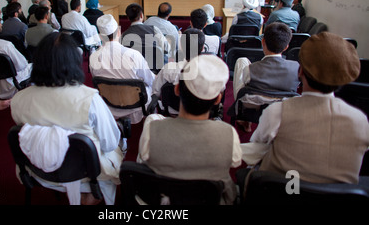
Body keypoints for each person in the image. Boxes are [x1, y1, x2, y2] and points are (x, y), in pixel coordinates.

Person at [240, 32, 369, 189]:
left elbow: (257, 145)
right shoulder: (361, 120)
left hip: (285, 192)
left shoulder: (278, 111)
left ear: (300, 71)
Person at [10, 31, 123, 205]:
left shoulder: (19, 99)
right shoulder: (89, 98)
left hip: (38, 170)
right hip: (86, 174)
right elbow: (109, 143)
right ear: (74, 62)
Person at [138, 54, 242, 205]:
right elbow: (235, 162)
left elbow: (144, 156)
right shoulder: (228, 134)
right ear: (217, 100)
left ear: (177, 90)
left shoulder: (152, 130)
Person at [232, 22, 300, 132]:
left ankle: (245, 120)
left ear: (263, 41)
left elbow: (244, 86)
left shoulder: (250, 69)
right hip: (283, 108)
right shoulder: (296, 68)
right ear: (286, 47)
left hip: (254, 106)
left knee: (242, 62)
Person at [90, 14, 155, 124]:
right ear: (119, 32)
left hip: (110, 106)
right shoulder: (133, 55)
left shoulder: (93, 57)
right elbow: (150, 80)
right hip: (136, 107)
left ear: (101, 37)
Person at [151, 28, 205, 115]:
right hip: (201, 113)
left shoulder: (168, 69)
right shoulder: (211, 71)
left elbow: (155, 92)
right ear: (202, 48)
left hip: (172, 114)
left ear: (182, 47)